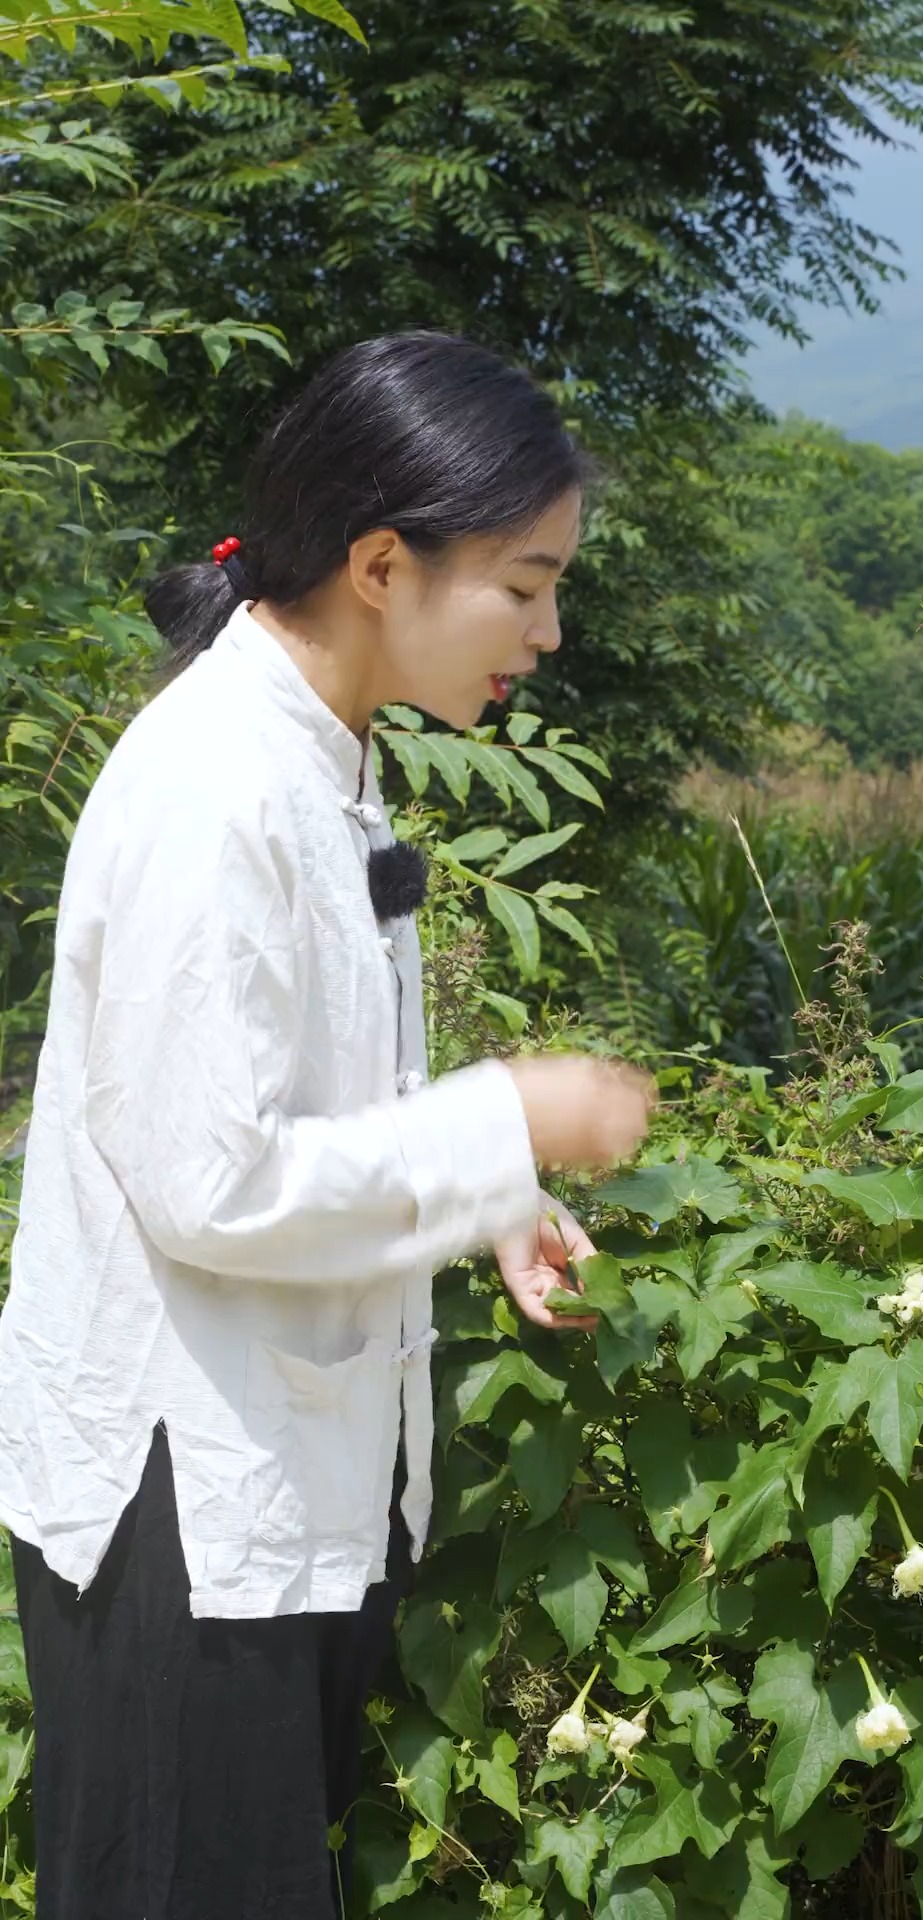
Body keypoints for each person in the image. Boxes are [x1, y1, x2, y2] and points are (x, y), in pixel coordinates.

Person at [0, 331, 653, 1920]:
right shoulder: (220, 787)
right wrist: (501, 1118)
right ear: (380, 564)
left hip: (275, 1490)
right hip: (186, 1514)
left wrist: (487, 1190)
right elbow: (211, 1185)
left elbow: (293, 1102)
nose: (549, 632)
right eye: (524, 583)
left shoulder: (320, 759)